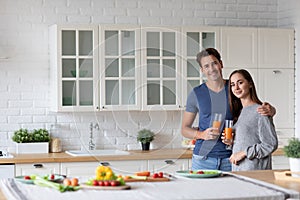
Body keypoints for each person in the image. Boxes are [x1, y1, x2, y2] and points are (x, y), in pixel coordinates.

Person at [181, 48, 276, 171]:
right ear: (202, 70)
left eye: (214, 63)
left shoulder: (234, 89)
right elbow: (184, 129)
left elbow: (253, 109)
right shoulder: (196, 93)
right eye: (206, 66)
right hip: (203, 158)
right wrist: (202, 134)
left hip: (231, 158)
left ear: (221, 64)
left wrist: (271, 110)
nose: (211, 69)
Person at [225, 69, 278, 171]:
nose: (236, 87)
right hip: (239, 171)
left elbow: (270, 144)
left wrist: (243, 153)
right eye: (232, 84)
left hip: (255, 173)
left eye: (240, 83)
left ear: (249, 84)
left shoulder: (260, 110)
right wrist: (231, 142)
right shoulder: (239, 112)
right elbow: (246, 141)